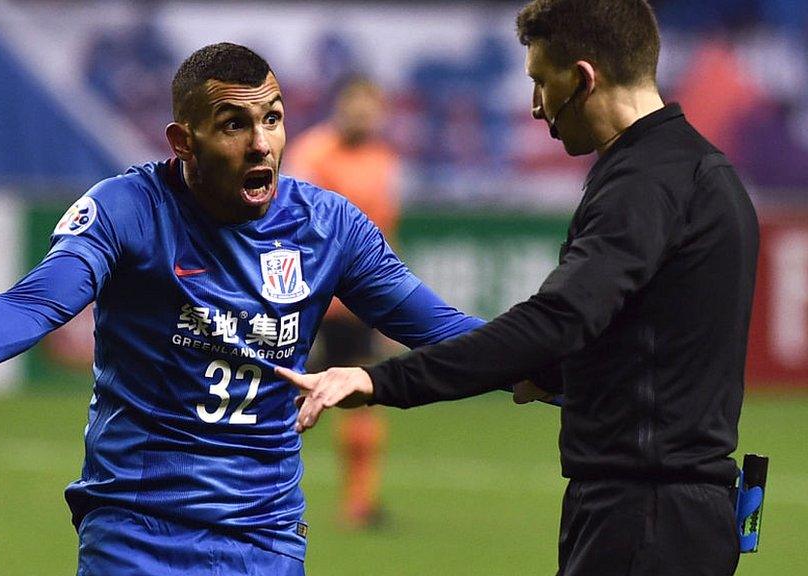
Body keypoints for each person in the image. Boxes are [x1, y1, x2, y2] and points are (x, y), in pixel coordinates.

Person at [0, 43, 487, 576]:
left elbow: (443, 329)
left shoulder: (329, 227)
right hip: (138, 534)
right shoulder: (125, 211)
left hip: (266, 536)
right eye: (234, 124)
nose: (261, 143)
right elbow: (40, 299)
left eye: (273, 117)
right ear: (183, 139)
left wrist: (561, 365)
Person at [278, 1, 760, 574]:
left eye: (540, 82)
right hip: (672, 512)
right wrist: (554, 374)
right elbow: (650, 334)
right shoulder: (698, 172)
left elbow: (558, 320)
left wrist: (380, 381)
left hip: (644, 518)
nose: (535, 107)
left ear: (583, 78)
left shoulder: (645, 183)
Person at [286, 75, 400, 529]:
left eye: (370, 107)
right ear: (339, 105)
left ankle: (359, 501)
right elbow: (290, 227)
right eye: (355, 105)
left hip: (355, 305)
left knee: (361, 395)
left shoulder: (383, 161)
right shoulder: (312, 154)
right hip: (304, 299)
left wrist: (390, 305)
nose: (363, 115)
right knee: (272, 394)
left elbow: (385, 236)